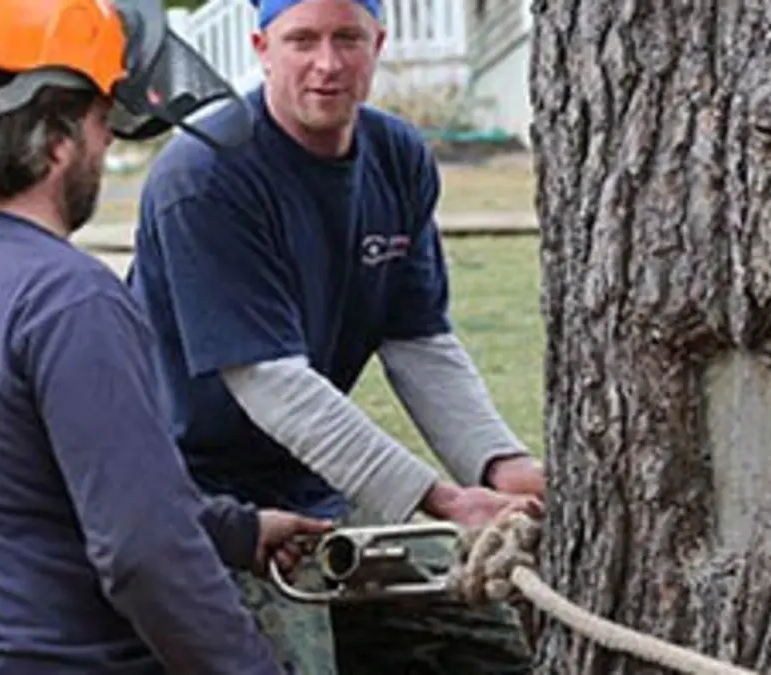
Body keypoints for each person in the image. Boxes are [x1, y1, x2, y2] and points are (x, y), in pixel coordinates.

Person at [0, 0, 334, 673]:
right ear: (55, 139)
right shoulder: (68, 299)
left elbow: (24, 496)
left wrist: (236, 530)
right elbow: (147, 554)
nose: (106, 141)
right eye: (99, 120)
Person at [123, 0, 547, 671]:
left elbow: (420, 343)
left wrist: (497, 464)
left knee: (499, 649)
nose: (327, 63)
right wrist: (442, 498)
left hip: (314, 489)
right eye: (303, 40)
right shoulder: (206, 173)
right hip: (198, 505)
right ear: (261, 48)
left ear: (378, 43)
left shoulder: (398, 155)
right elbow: (271, 383)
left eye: (348, 38)